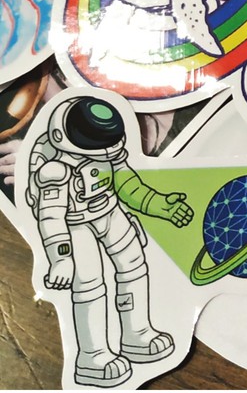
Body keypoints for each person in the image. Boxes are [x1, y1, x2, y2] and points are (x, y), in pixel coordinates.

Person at [26, 96, 192, 386]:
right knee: (89, 283)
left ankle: (137, 335)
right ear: (64, 136)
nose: (103, 150)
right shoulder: (55, 169)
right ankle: (92, 356)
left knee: (134, 266)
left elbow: (128, 185)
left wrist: (159, 204)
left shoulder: (108, 150)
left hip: (109, 210)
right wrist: (61, 258)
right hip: (74, 224)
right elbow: (50, 217)